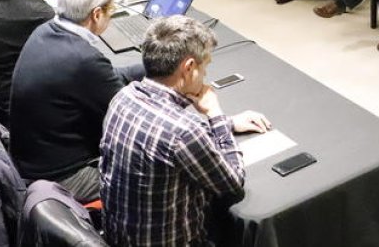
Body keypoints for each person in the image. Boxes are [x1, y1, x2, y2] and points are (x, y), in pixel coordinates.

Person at [100, 16, 269, 247]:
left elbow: (157, 129)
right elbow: (232, 184)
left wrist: (228, 123)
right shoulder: (185, 132)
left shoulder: (123, 97)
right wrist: (216, 115)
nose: (205, 75)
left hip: (119, 238)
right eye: (205, 66)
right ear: (189, 67)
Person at [9, 0, 144, 202]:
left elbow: (105, 78)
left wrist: (154, 67)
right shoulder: (82, 58)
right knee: (154, 173)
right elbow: (131, 118)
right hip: (61, 177)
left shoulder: (45, 31)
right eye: (111, 10)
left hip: (31, 159)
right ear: (97, 14)